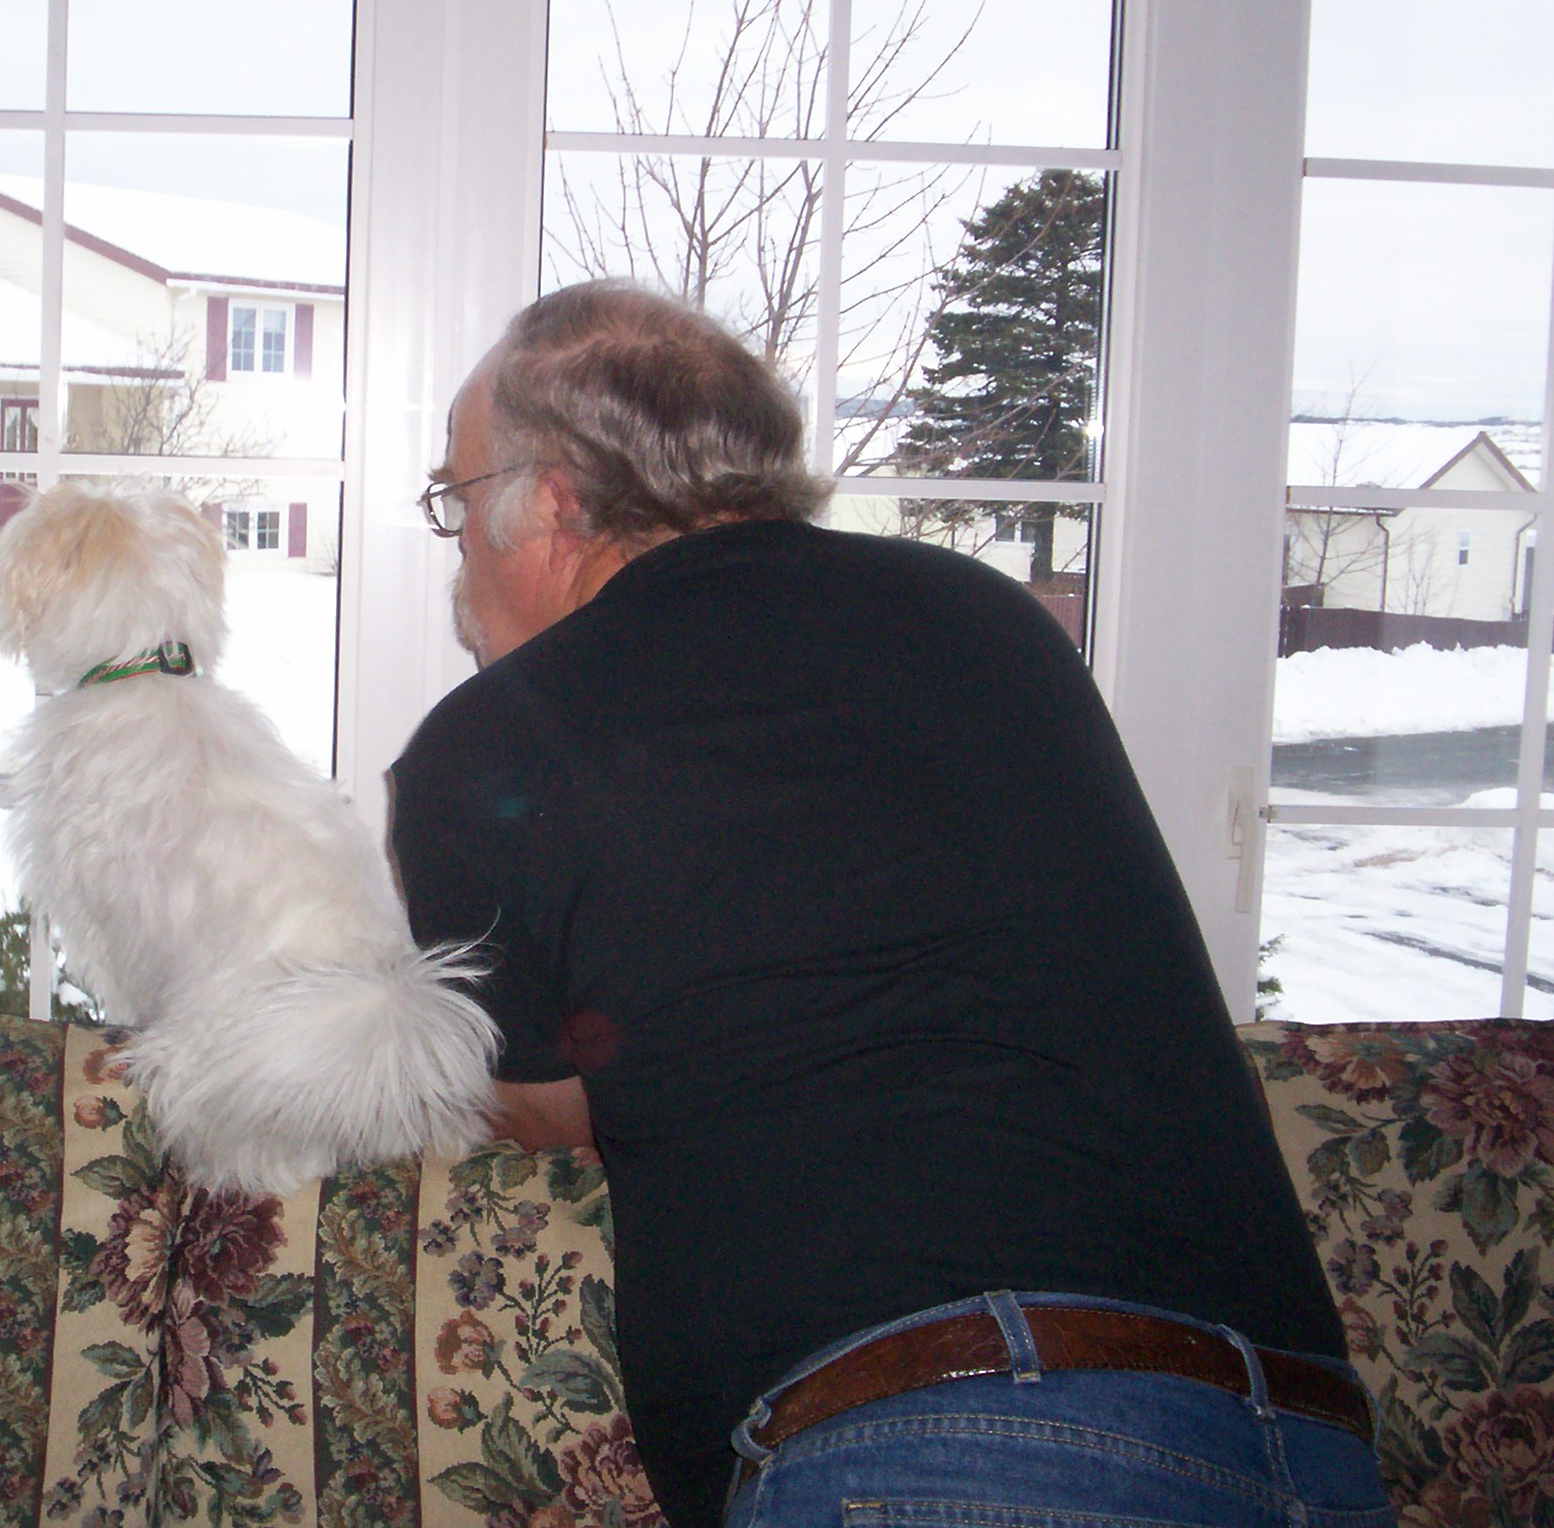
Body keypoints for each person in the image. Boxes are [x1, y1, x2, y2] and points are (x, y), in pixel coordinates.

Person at [386, 282, 1391, 1528]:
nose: (458, 561)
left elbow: (534, 1101)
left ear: (552, 501)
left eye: (456, 501)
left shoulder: (492, 741)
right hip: (1306, 1440)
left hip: (945, 1444)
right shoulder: (989, 621)